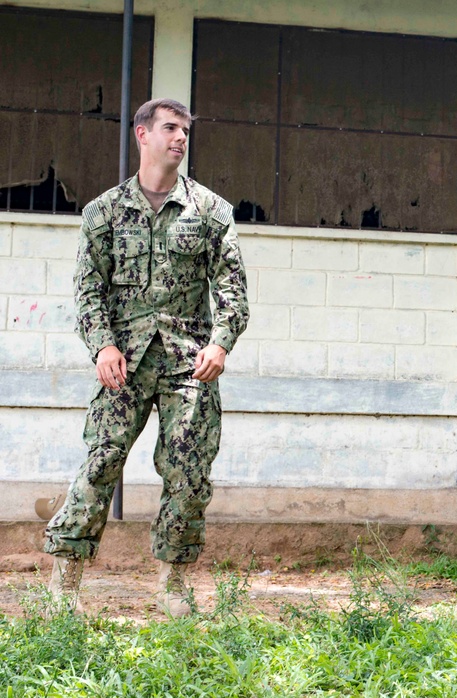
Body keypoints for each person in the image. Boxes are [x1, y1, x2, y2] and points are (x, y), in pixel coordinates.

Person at [43, 98, 250, 616]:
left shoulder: (211, 212)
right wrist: (102, 345)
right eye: (170, 128)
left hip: (189, 365)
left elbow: (232, 288)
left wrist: (221, 343)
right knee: (101, 462)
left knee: (188, 473)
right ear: (142, 134)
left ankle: (174, 584)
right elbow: (88, 290)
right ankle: (64, 582)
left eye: (185, 130)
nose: (180, 138)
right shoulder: (104, 212)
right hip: (123, 365)